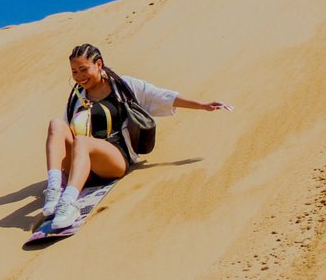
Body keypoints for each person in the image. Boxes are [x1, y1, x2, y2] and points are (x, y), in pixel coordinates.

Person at [42, 43, 231, 230]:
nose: (79, 77)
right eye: (74, 72)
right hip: (82, 164)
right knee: (56, 124)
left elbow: (162, 96)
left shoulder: (124, 86)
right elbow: (62, 136)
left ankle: (68, 204)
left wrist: (202, 105)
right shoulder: (76, 97)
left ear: (99, 64)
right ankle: (54, 191)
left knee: (82, 142)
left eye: (84, 69)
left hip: (114, 159)